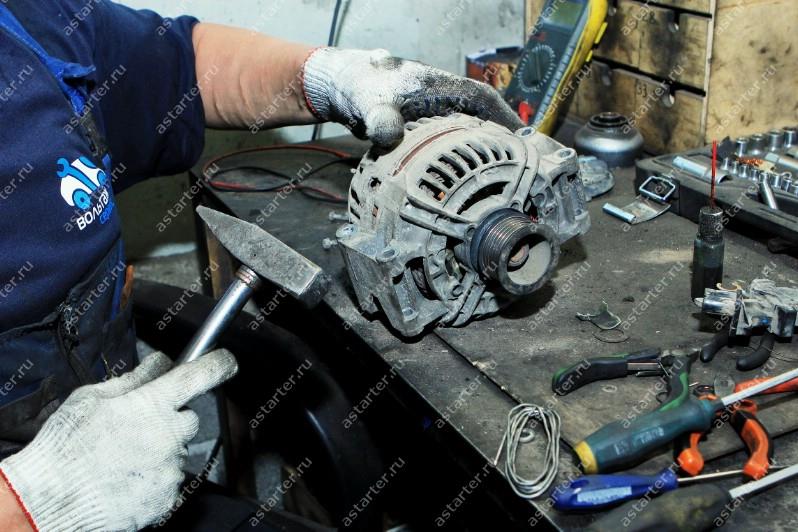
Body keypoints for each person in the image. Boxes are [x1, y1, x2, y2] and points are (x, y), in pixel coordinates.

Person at [0, 1, 522, 530]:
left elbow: (180, 65)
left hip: (121, 463)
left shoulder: (27, 19)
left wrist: (327, 77)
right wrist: (41, 499)